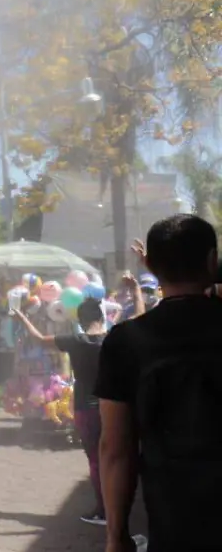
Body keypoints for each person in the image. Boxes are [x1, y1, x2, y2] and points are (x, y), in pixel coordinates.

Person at [96, 214, 222, 552]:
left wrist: (116, 536)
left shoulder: (126, 341)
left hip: (173, 519)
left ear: (149, 265)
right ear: (213, 260)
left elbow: (115, 448)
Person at [12, 299, 107, 526]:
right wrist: (136, 293)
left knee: (95, 460)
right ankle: (116, 507)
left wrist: (23, 318)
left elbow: (39, 339)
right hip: (113, 407)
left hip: (86, 408)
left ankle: (103, 510)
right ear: (101, 317)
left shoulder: (75, 341)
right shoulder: (115, 337)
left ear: (81, 320)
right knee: (115, 458)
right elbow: (138, 319)